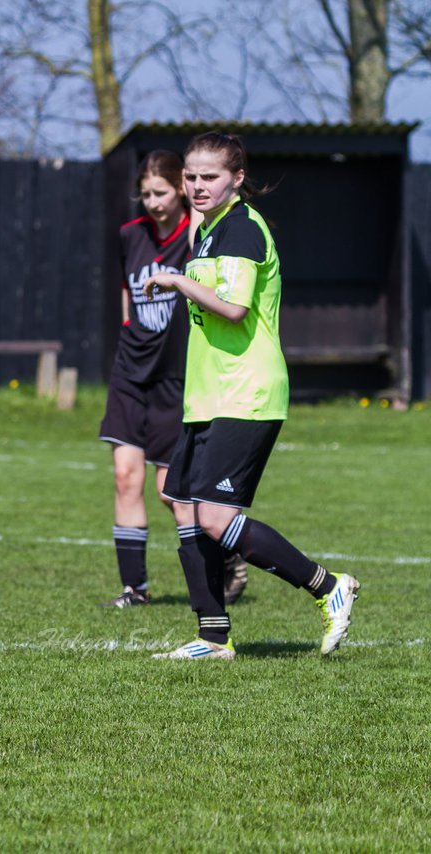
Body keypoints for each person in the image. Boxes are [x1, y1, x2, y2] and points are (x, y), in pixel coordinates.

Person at [143, 131, 359, 660]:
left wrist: (175, 280)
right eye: (190, 176)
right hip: (210, 393)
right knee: (181, 501)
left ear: (237, 179)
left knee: (215, 516)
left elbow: (233, 308)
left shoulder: (241, 229)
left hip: (247, 392)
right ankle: (213, 636)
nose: (196, 185)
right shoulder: (210, 230)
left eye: (209, 176)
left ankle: (328, 587)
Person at [97, 152, 249, 608]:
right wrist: (131, 331)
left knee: (170, 490)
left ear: (180, 190)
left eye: (160, 192)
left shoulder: (197, 237)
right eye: (145, 193)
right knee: (126, 477)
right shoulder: (130, 235)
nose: (152, 201)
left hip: (174, 377)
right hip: (131, 371)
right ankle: (134, 589)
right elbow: (127, 291)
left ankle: (218, 565)